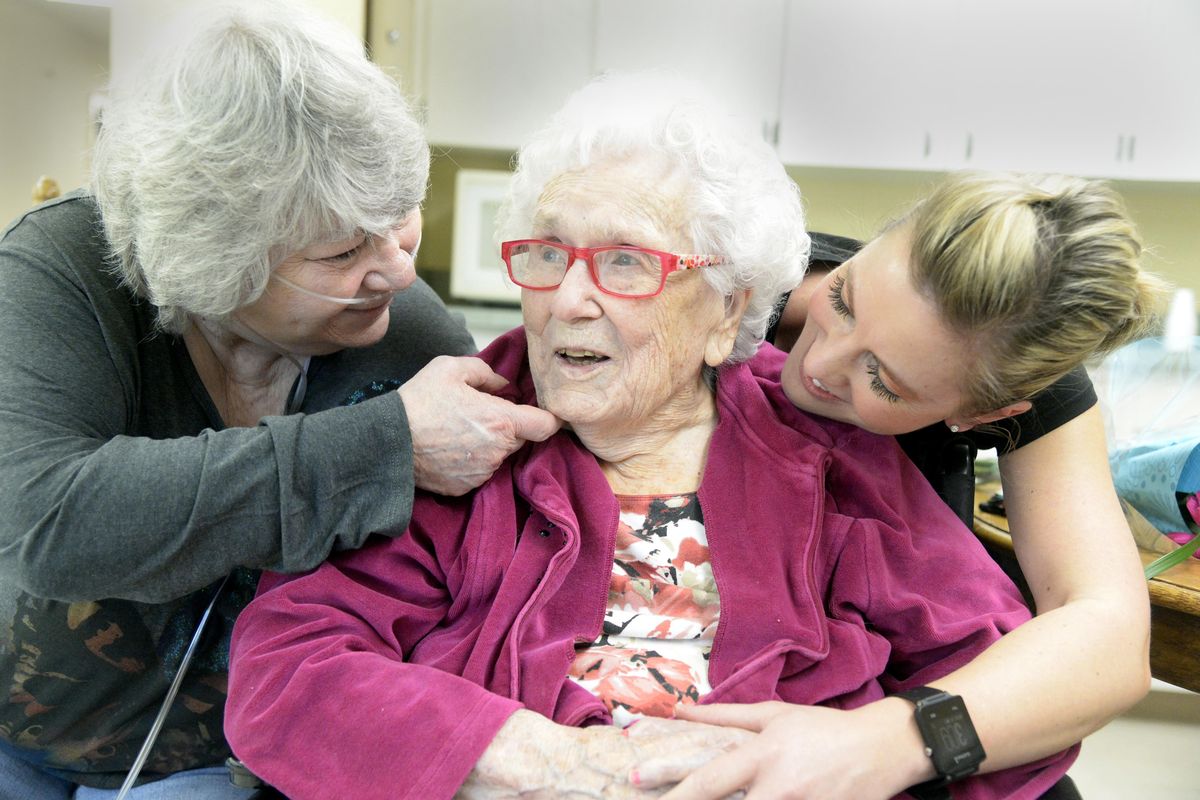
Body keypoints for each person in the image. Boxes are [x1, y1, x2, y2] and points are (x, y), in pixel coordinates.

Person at [224, 73, 1076, 800]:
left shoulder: (833, 462)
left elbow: (1002, 696)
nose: (567, 300)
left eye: (627, 261)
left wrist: (878, 758)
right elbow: (287, 672)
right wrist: (566, 766)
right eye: (548, 253)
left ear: (729, 310)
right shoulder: (464, 432)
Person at [0, 3, 557, 798]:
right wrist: (385, 446)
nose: (397, 274)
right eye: (341, 251)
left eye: (399, 225)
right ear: (216, 262)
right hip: (16, 736)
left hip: (221, 763)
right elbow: (47, 520)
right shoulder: (62, 271)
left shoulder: (408, 339)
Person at [651, 174, 1165, 800]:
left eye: (886, 382)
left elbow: (1108, 638)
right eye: (842, 303)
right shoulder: (734, 276)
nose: (817, 365)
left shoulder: (1026, 386)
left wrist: (894, 740)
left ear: (984, 415)